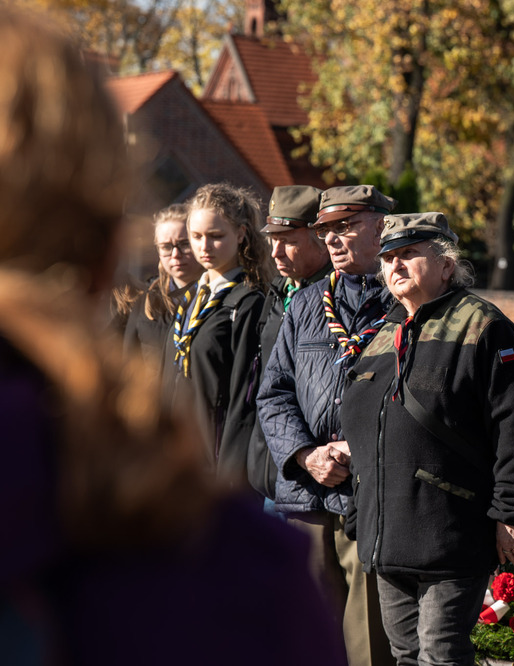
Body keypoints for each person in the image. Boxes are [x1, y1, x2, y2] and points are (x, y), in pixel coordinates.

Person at [0, 6, 343, 663]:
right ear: (108, 251)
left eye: (209, 238)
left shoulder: (254, 307)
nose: (194, 251)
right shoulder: (239, 577)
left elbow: (253, 397)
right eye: (186, 240)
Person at [339, 212, 514, 666]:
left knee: (441, 655)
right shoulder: (382, 333)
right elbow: (364, 429)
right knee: (405, 656)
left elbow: (511, 426)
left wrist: (509, 511)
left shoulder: (483, 326)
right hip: (387, 534)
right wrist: (359, 506)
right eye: (388, 258)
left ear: (446, 265)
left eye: (409, 254)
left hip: (451, 532)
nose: (396, 265)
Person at [257, 185, 398, 666]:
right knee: (306, 635)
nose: (332, 239)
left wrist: (358, 450)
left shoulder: (405, 300)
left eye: (345, 227)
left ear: (381, 227)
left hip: (369, 494)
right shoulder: (305, 303)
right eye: (325, 231)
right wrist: (305, 454)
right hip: (306, 494)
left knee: (367, 642)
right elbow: (273, 393)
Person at [162, 183, 273, 488]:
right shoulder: (191, 298)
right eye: (196, 236)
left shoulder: (247, 302)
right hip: (175, 458)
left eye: (216, 236)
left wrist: (228, 479)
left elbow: (244, 400)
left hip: (215, 464)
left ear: (241, 234)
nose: (204, 247)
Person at [248, 185, 330, 501]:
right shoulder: (278, 292)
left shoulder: (336, 301)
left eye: (289, 242)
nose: (275, 252)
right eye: (273, 240)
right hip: (264, 470)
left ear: (321, 240)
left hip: (309, 476)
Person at [123, 203, 203, 368]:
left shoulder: (218, 297)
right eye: (166, 247)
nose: (175, 254)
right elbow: (128, 357)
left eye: (184, 244)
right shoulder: (146, 300)